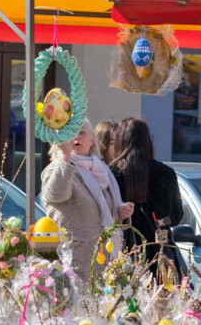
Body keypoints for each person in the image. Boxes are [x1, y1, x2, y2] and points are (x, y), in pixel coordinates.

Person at [42, 120, 133, 280]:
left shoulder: (103, 171)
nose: (76, 136)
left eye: (81, 132)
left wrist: (120, 213)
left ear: (92, 140)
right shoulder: (57, 168)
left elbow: (104, 214)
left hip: (105, 263)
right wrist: (65, 156)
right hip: (75, 264)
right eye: (70, 132)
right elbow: (56, 194)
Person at [109, 117, 183, 275]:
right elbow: (177, 216)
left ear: (121, 140)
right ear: (148, 141)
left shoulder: (112, 173)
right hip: (160, 252)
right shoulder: (166, 173)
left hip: (124, 251)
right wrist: (160, 221)